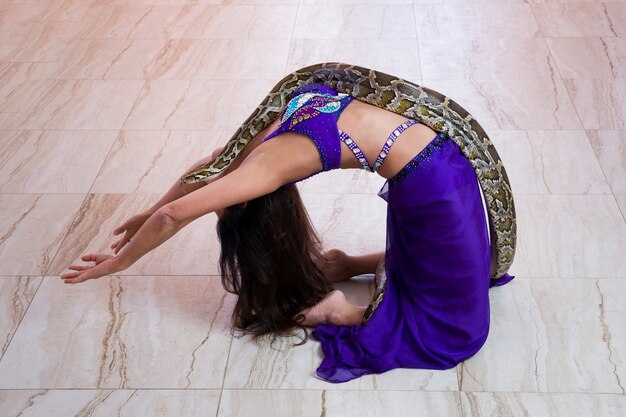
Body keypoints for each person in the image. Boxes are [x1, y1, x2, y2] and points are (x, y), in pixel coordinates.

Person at [61, 82, 512, 383]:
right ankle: (347, 268)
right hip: (441, 162)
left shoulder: (258, 174)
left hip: (433, 184)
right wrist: (146, 212)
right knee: (448, 265)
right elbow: (210, 166)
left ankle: (340, 311)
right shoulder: (257, 142)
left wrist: (122, 261)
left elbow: (173, 216)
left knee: (455, 333)